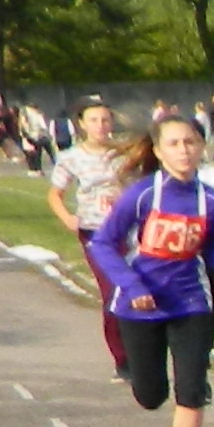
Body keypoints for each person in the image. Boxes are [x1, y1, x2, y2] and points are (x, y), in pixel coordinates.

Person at [90, 108, 214, 427]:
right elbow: (103, 244)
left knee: (192, 386)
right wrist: (131, 284)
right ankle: (145, 385)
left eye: (190, 142)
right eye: (174, 144)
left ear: (202, 146)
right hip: (140, 305)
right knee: (151, 394)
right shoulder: (142, 196)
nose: (184, 151)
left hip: (190, 302)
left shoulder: (211, 201)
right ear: (158, 151)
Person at [47, 95, 135, 370]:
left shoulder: (122, 153)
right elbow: (54, 195)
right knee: (113, 291)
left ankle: (140, 350)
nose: (101, 125)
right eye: (94, 120)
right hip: (94, 231)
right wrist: (68, 218)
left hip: (127, 229)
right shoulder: (71, 157)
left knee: (135, 289)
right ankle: (123, 358)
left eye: (105, 120)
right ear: (82, 124)